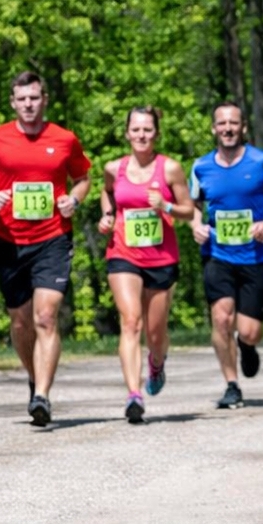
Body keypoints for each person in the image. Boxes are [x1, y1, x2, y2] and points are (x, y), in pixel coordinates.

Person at [0, 71, 93, 427]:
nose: (28, 105)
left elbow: (83, 178)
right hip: (9, 241)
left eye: (34, 98)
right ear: (12, 102)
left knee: (45, 316)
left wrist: (74, 200)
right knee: (21, 322)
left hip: (53, 237)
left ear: (44, 99)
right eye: (22, 99)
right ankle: (35, 376)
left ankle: (43, 396)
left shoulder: (64, 139)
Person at [189, 102, 263, 410]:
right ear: (213, 128)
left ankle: (247, 346)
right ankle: (231, 385)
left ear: (243, 127)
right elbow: (193, 203)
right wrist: (196, 225)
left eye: (233, 123)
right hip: (217, 254)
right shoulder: (200, 167)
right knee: (221, 318)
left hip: (255, 255)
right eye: (221, 123)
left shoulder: (261, 161)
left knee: (249, 330)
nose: (227, 128)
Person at [96, 107, 195, 423]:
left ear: (156, 133)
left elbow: (188, 210)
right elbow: (107, 193)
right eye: (136, 130)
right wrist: (107, 215)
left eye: (147, 130)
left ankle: (157, 361)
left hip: (161, 258)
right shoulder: (114, 168)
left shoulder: (170, 169)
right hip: (123, 253)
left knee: (155, 333)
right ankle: (133, 395)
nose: (141, 135)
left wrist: (165, 205)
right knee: (130, 321)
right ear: (127, 133)